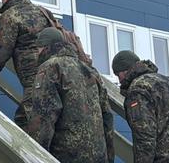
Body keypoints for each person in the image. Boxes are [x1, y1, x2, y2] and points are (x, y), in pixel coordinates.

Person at [28, 28, 114, 163]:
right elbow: (107, 116)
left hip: (67, 155)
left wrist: (34, 155)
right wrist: (109, 156)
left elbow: (43, 116)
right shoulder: (91, 71)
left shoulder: (50, 67)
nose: (36, 53)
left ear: (44, 47)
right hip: (98, 155)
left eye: (37, 49)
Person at [0, 0, 50, 128]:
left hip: (34, 80)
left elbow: (0, 53)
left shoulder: (11, 15)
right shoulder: (43, 12)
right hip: (55, 73)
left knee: (27, 122)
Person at [112, 50, 169, 163]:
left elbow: (144, 138)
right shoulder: (166, 81)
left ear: (123, 71)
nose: (119, 79)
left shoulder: (137, 90)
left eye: (117, 74)